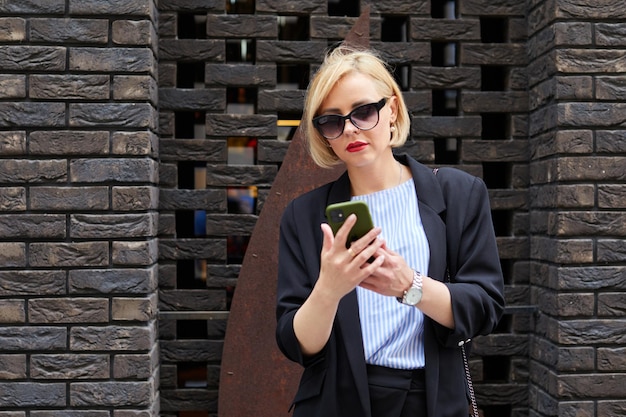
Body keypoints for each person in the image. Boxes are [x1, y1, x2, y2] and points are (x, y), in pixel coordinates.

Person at [275, 45, 505, 417]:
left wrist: (409, 285)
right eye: (332, 121)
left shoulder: (458, 194)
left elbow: (484, 308)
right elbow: (298, 344)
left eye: (364, 111)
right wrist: (329, 289)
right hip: (338, 400)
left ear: (392, 109)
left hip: (431, 399)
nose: (350, 128)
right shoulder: (304, 215)